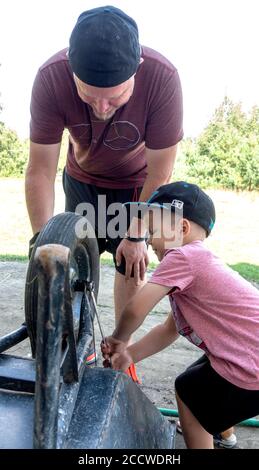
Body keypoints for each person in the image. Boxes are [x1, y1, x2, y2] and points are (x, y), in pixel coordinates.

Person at [25, 6, 183, 371]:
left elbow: (161, 174)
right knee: (70, 264)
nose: (100, 107)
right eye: (89, 94)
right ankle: (82, 345)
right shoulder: (51, 77)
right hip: (84, 180)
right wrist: (43, 241)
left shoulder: (163, 77)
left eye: (114, 97)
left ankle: (121, 352)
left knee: (134, 265)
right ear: (70, 68)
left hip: (140, 185)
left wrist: (136, 234)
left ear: (137, 68)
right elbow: (39, 170)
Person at [101, 181, 259, 449]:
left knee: (188, 392)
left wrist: (118, 338)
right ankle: (225, 436)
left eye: (153, 230)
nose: (149, 239)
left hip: (252, 365)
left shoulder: (183, 258)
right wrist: (129, 355)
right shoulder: (197, 266)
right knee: (203, 371)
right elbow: (167, 331)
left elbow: (136, 307)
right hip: (249, 353)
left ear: (182, 228)